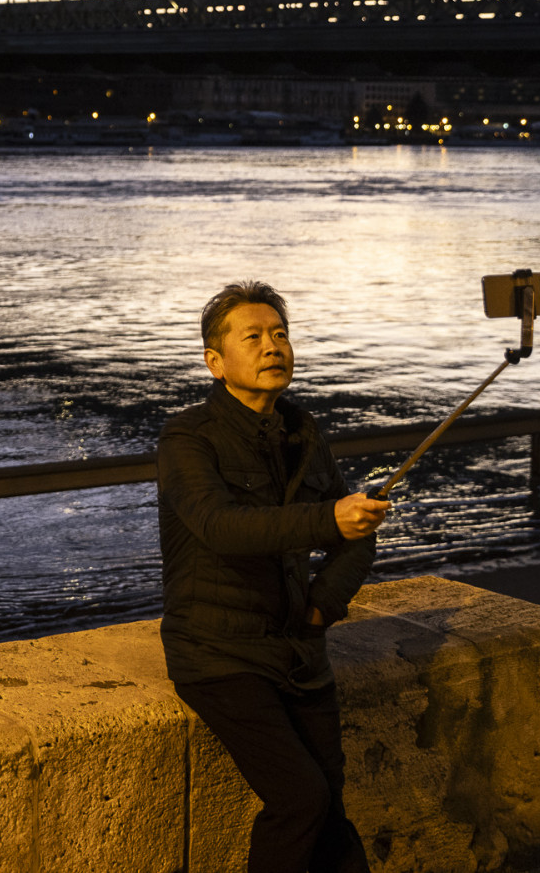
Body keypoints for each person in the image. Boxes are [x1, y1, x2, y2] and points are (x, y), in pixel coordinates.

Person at [158, 281, 391, 873]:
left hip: (298, 649)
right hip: (218, 654)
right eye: (254, 337)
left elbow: (354, 538)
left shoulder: (303, 431)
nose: (272, 347)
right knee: (300, 799)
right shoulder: (187, 437)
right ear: (216, 362)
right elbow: (219, 526)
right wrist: (328, 518)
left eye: (281, 334)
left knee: (329, 805)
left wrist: (320, 610)